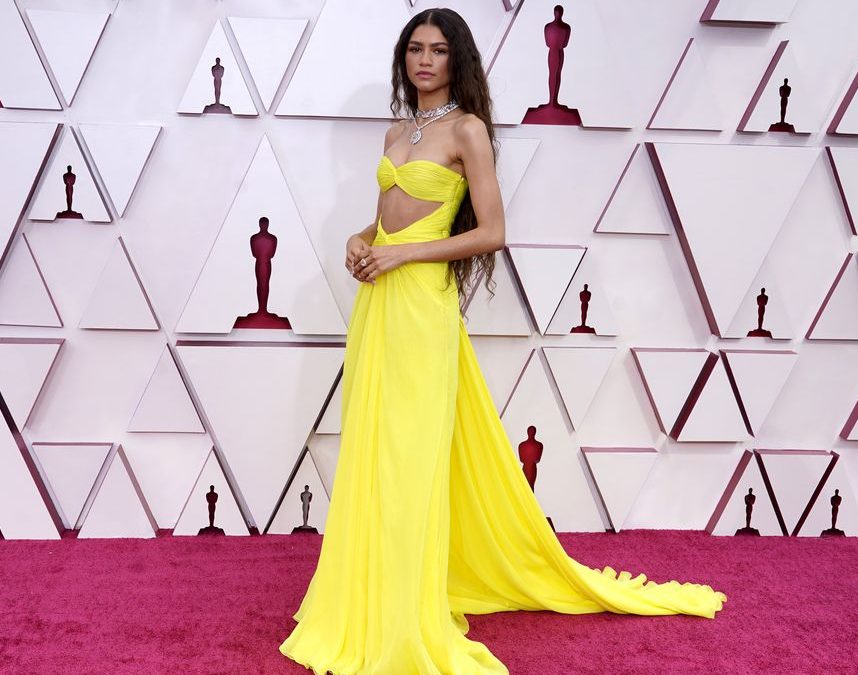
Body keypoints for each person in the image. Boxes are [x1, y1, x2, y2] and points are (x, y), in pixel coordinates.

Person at [278, 9, 727, 673]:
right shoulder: (398, 129)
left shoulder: (467, 130)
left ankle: (406, 610)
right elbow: (386, 223)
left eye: (437, 50)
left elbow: (492, 231)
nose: (423, 60)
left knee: (410, 458)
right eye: (414, 49)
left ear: (457, 60)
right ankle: (365, 595)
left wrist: (403, 258)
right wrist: (361, 240)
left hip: (423, 309)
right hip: (377, 309)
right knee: (373, 451)